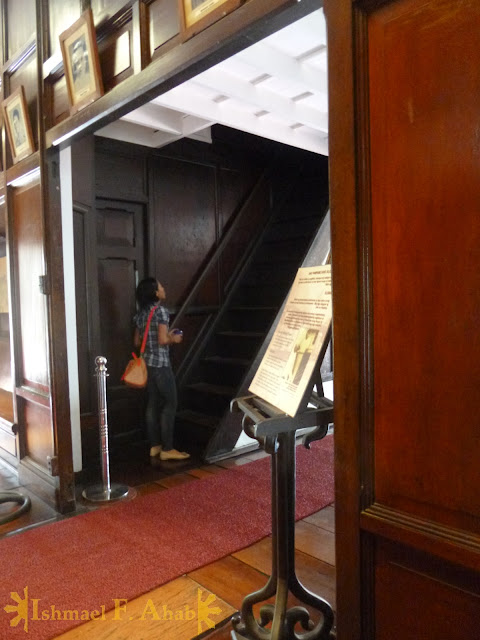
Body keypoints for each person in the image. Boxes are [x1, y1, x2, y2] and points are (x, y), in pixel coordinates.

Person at [133, 277, 190, 461]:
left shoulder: (141, 314)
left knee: (152, 403)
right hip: (161, 365)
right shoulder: (161, 312)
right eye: (161, 286)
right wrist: (174, 338)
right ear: (156, 293)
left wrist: (157, 339)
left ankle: (155, 446)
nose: (164, 288)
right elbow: (163, 340)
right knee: (170, 403)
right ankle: (168, 449)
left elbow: (136, 342)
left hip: (147, 366)